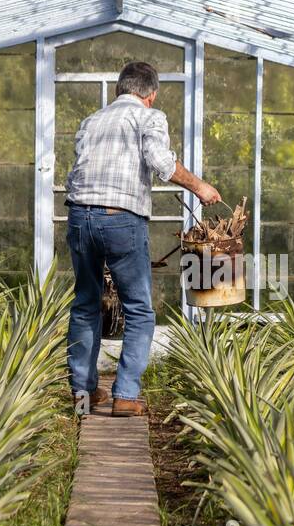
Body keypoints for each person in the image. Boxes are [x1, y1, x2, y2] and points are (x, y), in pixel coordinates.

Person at [63, 61, 221, 417]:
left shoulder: (91, 121)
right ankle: (126, 395)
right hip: (120, 219)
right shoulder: (149, 117)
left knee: (86, 304)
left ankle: (83, 394)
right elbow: (160, 162)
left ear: (120, 89)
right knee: (138, 309)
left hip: (79, 216)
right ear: (150, 95)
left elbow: (78, 169)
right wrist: (200, 187)